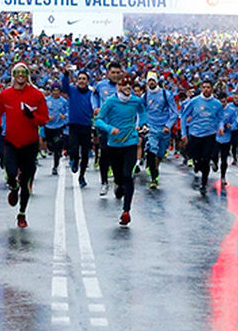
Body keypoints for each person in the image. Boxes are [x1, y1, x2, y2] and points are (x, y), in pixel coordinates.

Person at [0, 63, 49, 228]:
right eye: (17, 73)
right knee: (10, 172)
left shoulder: (37, 95)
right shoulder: (6, 94)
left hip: (30, 144)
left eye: (24, 73)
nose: (21, 76)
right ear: (13, 75)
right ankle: (12, 186)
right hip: (11, 141)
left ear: (28, 75)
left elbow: (44, 119)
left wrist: (32, 117)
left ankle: (22, 213)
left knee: (26, 180)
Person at [94, 75, 147, 226]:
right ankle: (118, 186)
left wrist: (142, 124)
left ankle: (126, 211)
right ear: (118, 87)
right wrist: (110, 129)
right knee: (118, 177)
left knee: (127, 175)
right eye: (124, 86)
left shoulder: (136, 100)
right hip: (114, 144)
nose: (127, 89)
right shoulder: (111, 101)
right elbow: (98, 119)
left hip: (130, 141)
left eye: (129, 86)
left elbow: (142, 112)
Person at [181, 81, 225, 195]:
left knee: (206, 159)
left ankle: (204, 184)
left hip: (209, 135)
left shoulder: (217, 104)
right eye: (204, 87)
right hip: (195, 134)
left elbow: (221, 118)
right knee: (196, 157)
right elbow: (184, 116)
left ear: (212, 89)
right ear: (201, 88)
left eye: (208, 87)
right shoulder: (194, 101)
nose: (206, 89)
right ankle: (197, 164)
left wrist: (220, 127)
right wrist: (184, 133)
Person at [60, 66, 99, 187]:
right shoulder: (72, 90)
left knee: (86, 153)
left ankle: (82, 176)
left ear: (88, 81)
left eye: (84, 79)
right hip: (74, 125)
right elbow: (64, 86)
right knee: (74, 148)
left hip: (86, 126)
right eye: (80, 79)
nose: (81, 81)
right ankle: (74, 161)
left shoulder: (91, 94)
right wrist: (66, 75)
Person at [142, 72, 177, 190]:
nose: (151, 83)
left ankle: (155, 169)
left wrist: (169, 125)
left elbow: (174, 112)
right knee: (152, 151)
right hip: (151, 128)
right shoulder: (145, 96)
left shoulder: (166, 94)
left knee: (160, 153)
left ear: (157, 81)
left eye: (153, 80)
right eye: (149, 81)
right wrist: (143, 124)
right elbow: (140, 111)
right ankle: (153, 177)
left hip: (164, 128)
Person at [44, 83, 68, 176]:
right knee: (50, 145)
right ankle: (51, 148)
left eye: (57, 91)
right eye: (54, 91)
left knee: (57, 145)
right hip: (49, 126)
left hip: (59, 126)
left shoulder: (63, 101)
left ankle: (55, 166)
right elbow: (42, 111)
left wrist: (64, 116)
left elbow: (67, 111)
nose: (56, 93)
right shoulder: (46, 101)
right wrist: (47, 117)